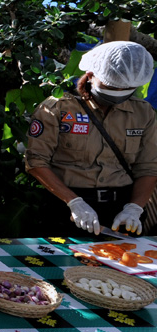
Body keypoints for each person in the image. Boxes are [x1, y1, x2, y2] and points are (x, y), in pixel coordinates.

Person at [25, 41, 157, 237]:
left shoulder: (142, 112)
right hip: (67, 205)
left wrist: (134, 208)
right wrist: (74, 202)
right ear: (91, 74)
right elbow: (35, 161)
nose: (117, 94)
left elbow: (149, 166)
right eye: (111, 86)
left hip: (120, 209)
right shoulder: (58, 108)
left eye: (125, 89)